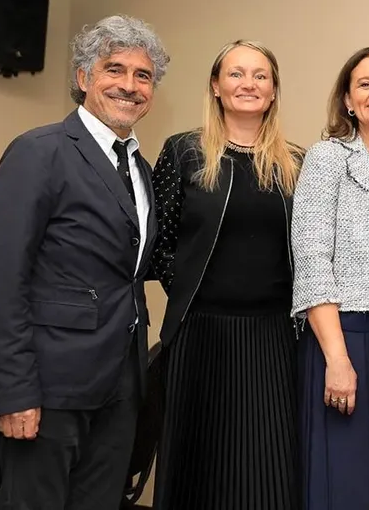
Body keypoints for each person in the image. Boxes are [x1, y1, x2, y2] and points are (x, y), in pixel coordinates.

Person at [0, 15, 169, 509]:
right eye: (114, 70)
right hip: (48, 389)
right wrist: (13, 392)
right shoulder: (39, 152)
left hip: (120, 391)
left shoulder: (140, 169)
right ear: (83, 78)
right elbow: (0, 279)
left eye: (142, 75)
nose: (129, 85)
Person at [150, 40, 304, 510]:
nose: (248, 84)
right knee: (199, 471)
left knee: (270, 474)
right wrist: (199, 296)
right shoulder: (184, 152)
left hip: (275, 339)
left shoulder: (298, 162)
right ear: (216, 87)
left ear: (274, 90)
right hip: (200, 337)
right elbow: (157, 247)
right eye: (236, 74)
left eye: (260, 75)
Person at [291, 46, 369, 510]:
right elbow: (310, 260)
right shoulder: (328, 159)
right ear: (348, 99)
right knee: (345, 483)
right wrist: (338, 359)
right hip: (346, 337)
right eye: (364, 84)